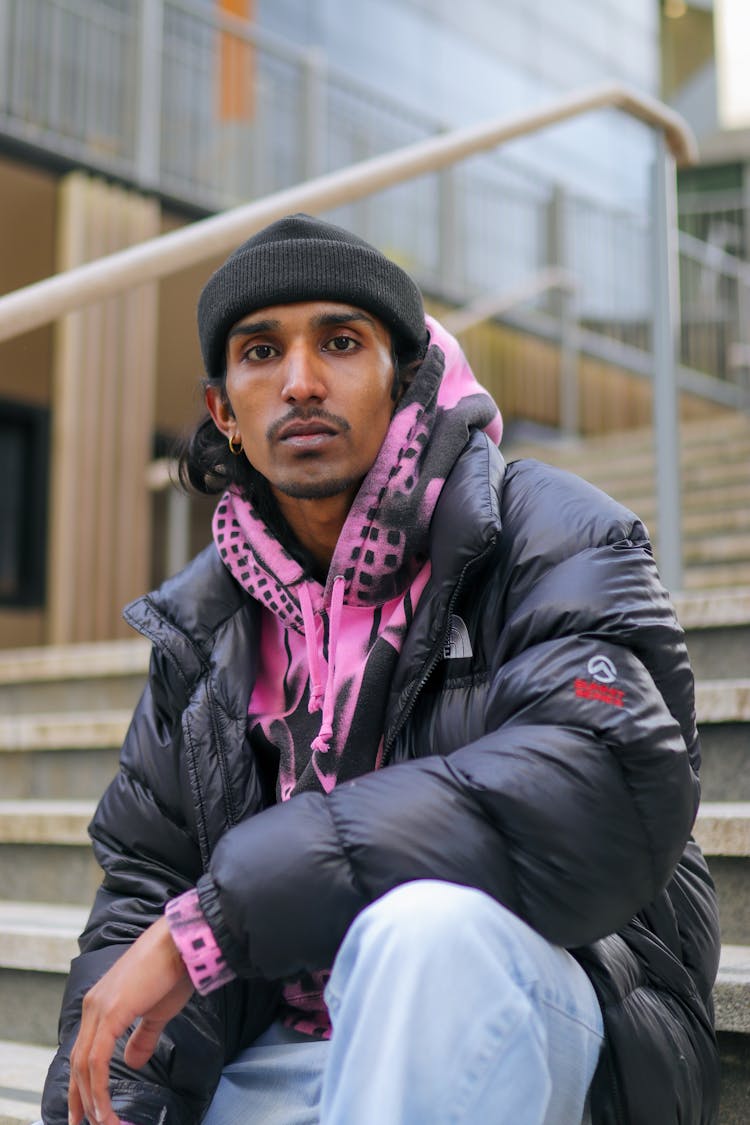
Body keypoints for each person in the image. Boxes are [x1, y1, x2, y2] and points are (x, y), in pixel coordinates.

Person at [40, 213, 720, 1125]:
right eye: (260, 352)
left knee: (424, 933)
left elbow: (602, 778)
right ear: (222, 412)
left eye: (341, 341)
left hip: (547, 1010)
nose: (301, 381)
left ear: (402, 376)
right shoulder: (204, 630)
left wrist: (223, 915)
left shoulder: (549, 532)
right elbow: (144, 886)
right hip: (288, 1057)